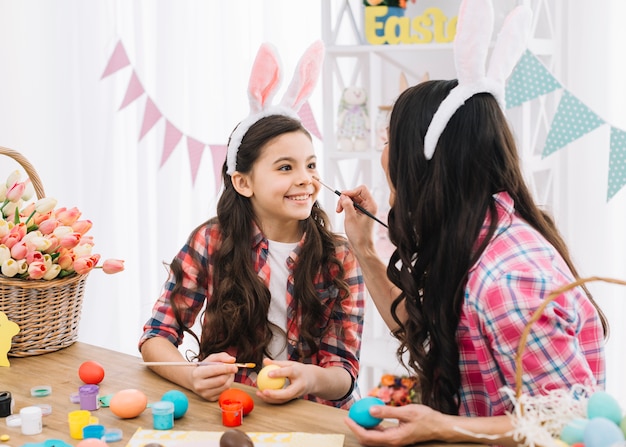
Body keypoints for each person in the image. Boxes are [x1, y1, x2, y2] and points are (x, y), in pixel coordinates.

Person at [332, 1, 608, 444]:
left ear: (427, 160)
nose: (384, 154)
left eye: (389, 140)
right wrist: (364, 248)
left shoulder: (508, 279)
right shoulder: (472, 237)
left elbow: (570, 424)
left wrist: (438, 425)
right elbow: (418, 325)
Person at [139, 41, 365, 410]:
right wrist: (192, 376)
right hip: (231, 411)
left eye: (310, 165)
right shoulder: (210, 241)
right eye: (285, 167)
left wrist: (311, 377)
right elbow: (156, 337)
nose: (306, 179)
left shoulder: (338, 255)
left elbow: (343, 373)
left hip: (314, 422)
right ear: (243, 182)